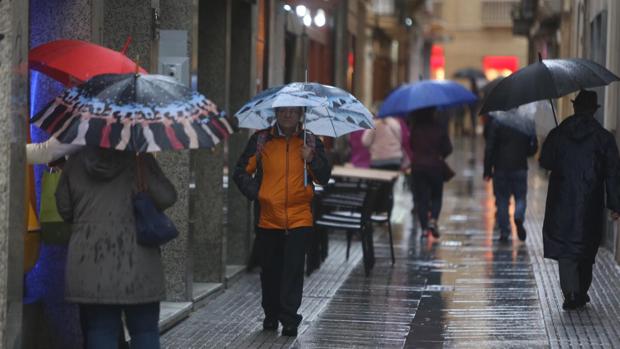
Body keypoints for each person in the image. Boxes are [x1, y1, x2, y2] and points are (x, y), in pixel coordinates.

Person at [56, 147, 177, 348]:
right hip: (139, 264)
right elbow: (167, 197)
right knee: (144, 330)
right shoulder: (139, 160)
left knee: (99, 330)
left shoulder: (76, 162)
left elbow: (65, 210)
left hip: (90, 264)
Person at [233, 106, 331, 337]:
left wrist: (312, 159)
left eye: (293, 111)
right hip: (269, 217)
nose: (288, 115)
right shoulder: (261, 139)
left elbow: (324, 177)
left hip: (300, 218)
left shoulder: (311, 141)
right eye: (283, 111)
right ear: (275, 113)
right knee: (270, 271)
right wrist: (259, 194)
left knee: (293, 270)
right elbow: (241, 172)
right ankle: (270, 314)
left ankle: (289, 318)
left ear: (300, 115)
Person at [539, 90, 620, 310]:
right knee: (585, 248)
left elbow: (545, 161)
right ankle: (580, 291)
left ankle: (571, 293)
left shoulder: (559, 133)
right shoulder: (604, 138)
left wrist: (552, 142)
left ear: (575, 108)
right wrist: (615, 204)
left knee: (566, 248)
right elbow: (613, 173)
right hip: (590, 203)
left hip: (561, 201)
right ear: (594, 110)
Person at [483, 116, 538, 242]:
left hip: (500, 168)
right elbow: (533, 147)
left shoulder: (497, 121)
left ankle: (504, 231)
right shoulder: (526, 121)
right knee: (520, 197)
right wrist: (525, 152)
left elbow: (489, 146)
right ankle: (518, 216)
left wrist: (487, 169)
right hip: (520, 166)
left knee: (502, 200)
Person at [409, 107, 453, 238]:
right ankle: (433, 220)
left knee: (422, 199)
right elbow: (448, 148)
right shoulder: (439, 128)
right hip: (435, 166)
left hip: (418, 167)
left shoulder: (416, 129)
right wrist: (440, 155)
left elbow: (411, 145)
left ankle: (423, 229)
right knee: (437, 196)